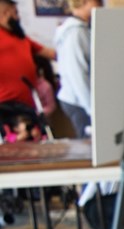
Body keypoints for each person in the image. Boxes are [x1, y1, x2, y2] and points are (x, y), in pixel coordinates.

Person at [0, 0, 55, 140]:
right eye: (15, 13)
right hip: (4, 105)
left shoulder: (22, 39)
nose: (18, 17)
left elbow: (51, 53)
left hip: (27, 105)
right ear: (5, 13)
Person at [54, 0, 99, 139]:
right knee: (90, 145)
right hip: (79, 101)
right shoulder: (76, 33)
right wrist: (93, 110)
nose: (100, 4)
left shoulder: (83, 29)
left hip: (81, 99)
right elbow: (78, 75)